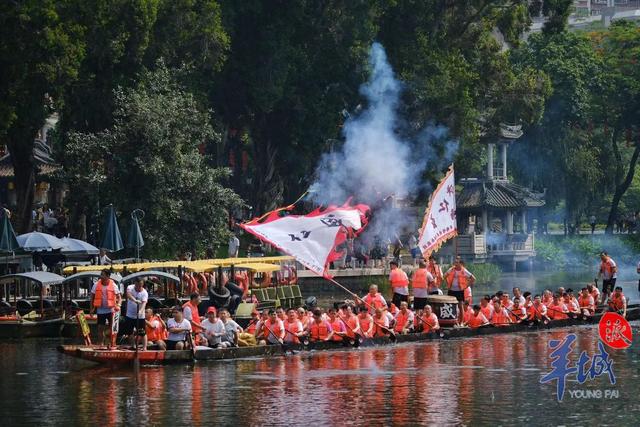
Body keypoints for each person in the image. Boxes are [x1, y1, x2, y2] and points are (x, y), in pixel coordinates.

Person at [89, 269, 122, 346]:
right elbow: (92, 297)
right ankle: (100, 343)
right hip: (100, 310)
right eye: (101, 274)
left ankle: (112, 343)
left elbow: (119, 297)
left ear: (108, 276)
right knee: (100, 328)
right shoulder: (96, 284)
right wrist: (92, 309)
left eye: (103, 275)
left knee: (112, 328)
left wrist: (119, 305)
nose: (101, 276)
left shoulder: (113, 285)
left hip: (111, 310)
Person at [444, 257, 475, 324]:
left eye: (457, 263)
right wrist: (448, 284)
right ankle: (452, 321)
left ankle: (461, 322)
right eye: (455, 262)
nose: (455, 264)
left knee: (460, 306)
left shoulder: (464, 271)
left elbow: (473, 279)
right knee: (450, 305)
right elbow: (445, 276)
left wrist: (466, 286)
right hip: (451, 290)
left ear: (460, 264)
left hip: (459, 290)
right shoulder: (452, 269)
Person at [123, 278, 148, 349]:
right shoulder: (130, 287)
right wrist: (135, 300)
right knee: (129, 332)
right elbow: (128, 295)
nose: (139, 287)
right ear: (135, 284)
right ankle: (133, 345)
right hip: (130, 314)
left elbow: (144, 304)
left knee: (142, 332)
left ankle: (144, 347)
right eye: (137, 285)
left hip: (140, 316)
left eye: (140, 285)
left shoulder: (144, 292)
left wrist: (140, 311)